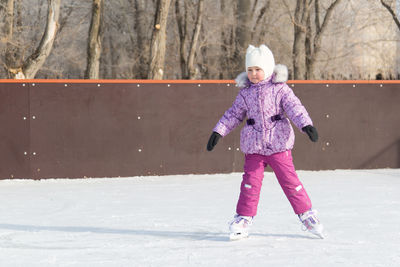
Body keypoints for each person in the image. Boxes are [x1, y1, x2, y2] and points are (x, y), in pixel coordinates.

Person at [206, 44, 324, 240]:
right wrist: (218, 131)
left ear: (268, 69)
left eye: (258, 69)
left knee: (290, 182)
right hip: (254, 147)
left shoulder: (280, 89)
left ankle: (307, 215)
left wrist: (306, 125)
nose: (253, 74)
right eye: (250, 70)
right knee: (250, 184)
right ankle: (244, 218)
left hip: (279, 145)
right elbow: (233, 115)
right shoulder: (245, 93)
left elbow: (295, 108)